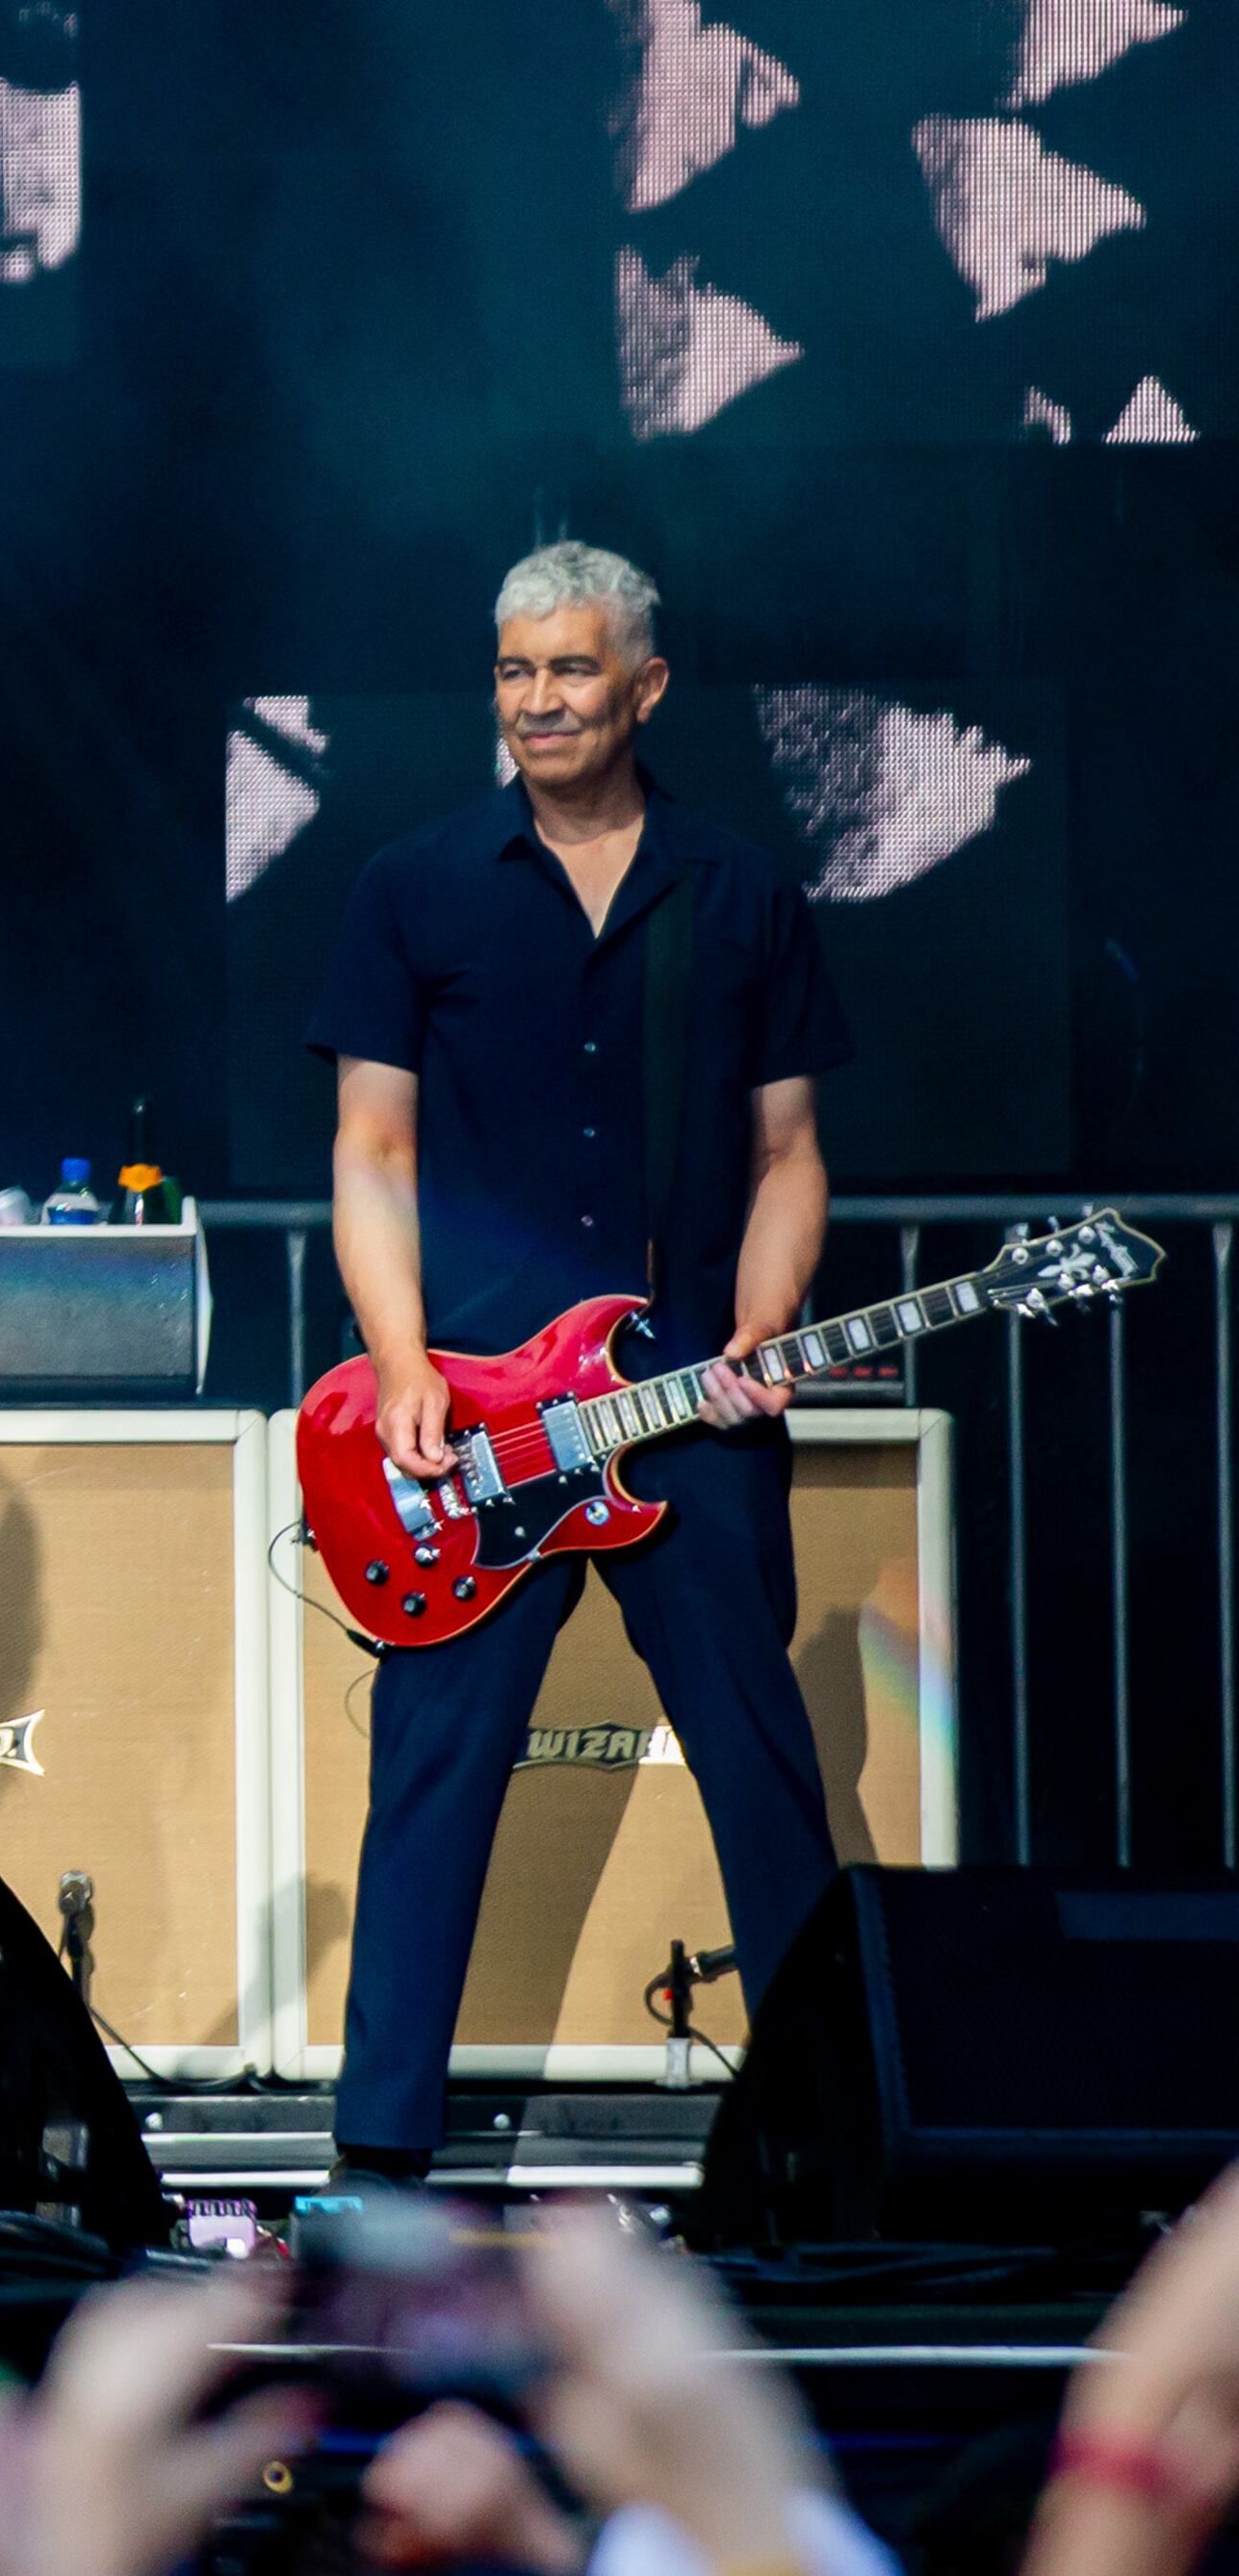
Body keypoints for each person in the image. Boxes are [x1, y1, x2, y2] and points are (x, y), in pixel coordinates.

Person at [307, 540, 851, 2181]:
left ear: (645, 686)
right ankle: (378, 2170)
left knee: (763, 1777)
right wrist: (401, 1358)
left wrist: (764, 1321)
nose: (538, 698)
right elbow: (372, 1150)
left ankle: (829, 2148)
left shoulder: (739, 889)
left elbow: (791, 1153)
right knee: (434, 1785)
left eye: (570, 669)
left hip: (691, 1401)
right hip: (479, 1424)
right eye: (514, 671)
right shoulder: (415, 883)